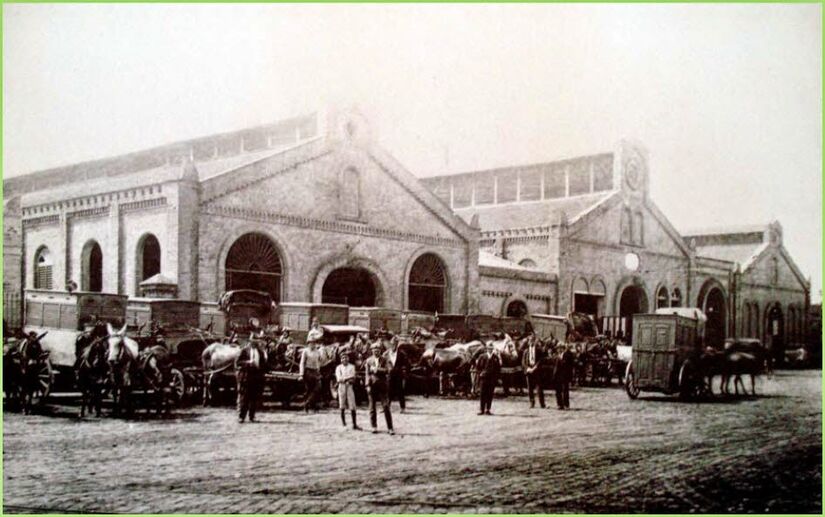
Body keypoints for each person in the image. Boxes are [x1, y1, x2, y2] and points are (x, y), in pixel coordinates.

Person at [364, 342, 394, 435]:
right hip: (372, 386)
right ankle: (374, 426)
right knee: (372, 407)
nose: (376, 352)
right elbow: (367, 374)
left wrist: (378, 369)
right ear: (371, 351)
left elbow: (389, 370)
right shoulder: (368, 361)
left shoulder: (385, 359)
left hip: (382, 386)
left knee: (385, 406)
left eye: (377, 350)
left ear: (380, 351)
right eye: (374, 350)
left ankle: (390, 428)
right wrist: (367, 385)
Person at [235, 336, 265, 423]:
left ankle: (252, 416)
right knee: (244, 398)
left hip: (256, 378)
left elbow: (263, 364)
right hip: (246, 377)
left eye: (256, 342)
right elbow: (238, 363)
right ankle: (241, 416)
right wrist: (248, 363)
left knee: (254, 398)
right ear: (250, 341)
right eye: (253, 341)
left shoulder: (260, 352)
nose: (255, 343)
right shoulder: (244, 351)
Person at [335, 352, 360, 430]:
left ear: (348, 359)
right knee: (342, 404)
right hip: (341, 387)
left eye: (346, 357)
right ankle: (343, 423)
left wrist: (347, 379)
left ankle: (354, 424)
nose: (344, 359)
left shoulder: (352, 367)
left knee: (352, 404)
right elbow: (339, 379)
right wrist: (347, 379)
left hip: (349, 386)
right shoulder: (338, 368)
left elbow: (353, 377)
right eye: (343, 358)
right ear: (341, 360)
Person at [475, 342, 501, 415]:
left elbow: (498, 369)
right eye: (489, 348)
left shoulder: (495, 357)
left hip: (492, 378)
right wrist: (480, 373)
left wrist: (497, 378)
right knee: (482, 394)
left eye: (491, 348)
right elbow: (478, 367)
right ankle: (481, 409)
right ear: (486, 348)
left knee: (490, 394)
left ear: (493, 349)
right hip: (484, 378)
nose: (490, 349)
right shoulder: (482, 356)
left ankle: (488, 409)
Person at [299, 336, 323, 413]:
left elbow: (320, 361)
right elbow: (302, 363)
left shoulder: (318, 351)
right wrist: (301, 374)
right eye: (311, 343)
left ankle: (308, 403)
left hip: (315, 371)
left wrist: (318, 370)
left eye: (314, 343)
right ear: (308, 344)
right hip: (308, 371)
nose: (312, 344)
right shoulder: (305, 351)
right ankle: (309, 406)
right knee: (308, 389)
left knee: (318, 388)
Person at [522, 334, 546, 408]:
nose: (531, 342)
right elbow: (523, 361)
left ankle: (542, 404)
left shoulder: (538, 350)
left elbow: (541, 359)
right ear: (528, 342)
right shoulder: (526, 351)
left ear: (535, 341)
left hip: (537, 370)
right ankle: (532, 403)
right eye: (530, 341)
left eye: (533, 340)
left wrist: (535, 367)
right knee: (530, 388)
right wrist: (527, 368)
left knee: (539, 387)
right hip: (529, 370)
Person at [384, 336, 407, 413]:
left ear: (397, 345)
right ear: (390, 344)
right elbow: (383, 363)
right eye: (393, 343)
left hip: (399, 375)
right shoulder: (386, 354)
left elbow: (405, 365)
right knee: (388, 391)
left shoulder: (402, 354)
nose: (394, 345)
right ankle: (387, 407)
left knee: (400, 391)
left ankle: (402, 408)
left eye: (396, 344)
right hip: (389, 375)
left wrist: (403, 373)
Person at [554, 344, 576, 410]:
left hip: (565, 375)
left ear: (562, 348)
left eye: (559, 348)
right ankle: (559, 404)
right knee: (558, 390)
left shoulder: (567, 355)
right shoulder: (557, 356)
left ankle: (566, 404)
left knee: (565, 390)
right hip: (557, 375)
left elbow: (569, 365)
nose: (558, 350)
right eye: (557, 348)